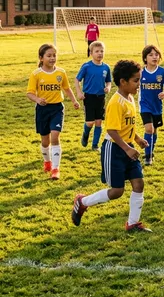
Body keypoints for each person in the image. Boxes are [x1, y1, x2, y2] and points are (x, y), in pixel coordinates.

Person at [72, 59, 151, 232]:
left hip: (127, 146)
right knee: (117, 191)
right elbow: (113, 130)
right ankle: (82, 202)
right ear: (123, 82)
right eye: (136, 80)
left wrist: (136, 139)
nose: (139, 84)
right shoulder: (116, 103)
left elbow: (126, 125)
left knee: (139, 184)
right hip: (114, 149)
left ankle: (132, 223)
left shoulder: (130, 98)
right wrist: (128, 148)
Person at [27, 44, 80, 180]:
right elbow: (30, 93)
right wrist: (38, 99)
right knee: (45, 141)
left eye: (54, 55)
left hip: (57, 108)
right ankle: (47, 162)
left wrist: (74, 101)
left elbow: (66, 88)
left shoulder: (61, 73)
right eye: (49, 56)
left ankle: (56, 169)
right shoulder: (36, 74)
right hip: (43, 110)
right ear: (41, 58)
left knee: (55, 137)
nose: (52, 58)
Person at [139, 45, 164, 166]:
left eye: (156, 54)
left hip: (157, 106)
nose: (154, 57)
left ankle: (151, 151)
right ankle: (147, 157)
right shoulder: (141, 72)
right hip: (144, 105)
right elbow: (134, 84)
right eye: (151, 55)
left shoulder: (162, 72)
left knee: (154, 131)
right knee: (149, 129)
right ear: (145, 58)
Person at [75, 41, 112, 152]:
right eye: (97, 51)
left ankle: (95, 145)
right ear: (91, 53)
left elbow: (109, 81)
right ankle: (85, 134)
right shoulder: (86, 66)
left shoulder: (106, 67)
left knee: (99, 122)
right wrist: (79, 92)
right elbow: (77, 80)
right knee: (90, 122)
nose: (99, 53)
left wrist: (108, 87)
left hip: (100, 98)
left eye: (102, 51)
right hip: (89, 97)